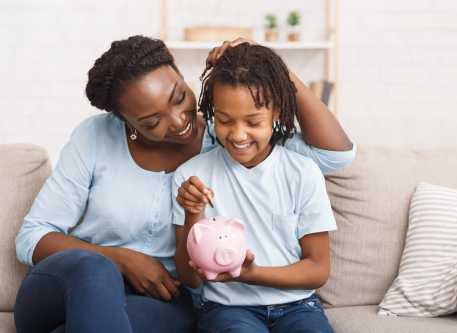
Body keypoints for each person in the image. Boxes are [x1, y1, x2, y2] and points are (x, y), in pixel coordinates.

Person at [14, 35, 354, 333]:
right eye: (151, 121)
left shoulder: (226, 137)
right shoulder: (95, 136)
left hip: (161, 299)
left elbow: (335, 156)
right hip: (69, 284)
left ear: (179, 71)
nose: (179, 123)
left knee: (102, 321)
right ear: (124, 121)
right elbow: (33, 236)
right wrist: (120, 259)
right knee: (95, 270)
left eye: (179, 97)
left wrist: (273, 67)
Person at [173, 43, 347, 333]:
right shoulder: (191, 175)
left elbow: (318, 269)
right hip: (227, 308)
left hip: (298, 306)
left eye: (253, 122)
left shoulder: (302, 172)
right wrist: (193, 213)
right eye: (225, 121)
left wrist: (252, 274)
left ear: (277, 113)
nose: (238, 135)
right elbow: (190, 279)